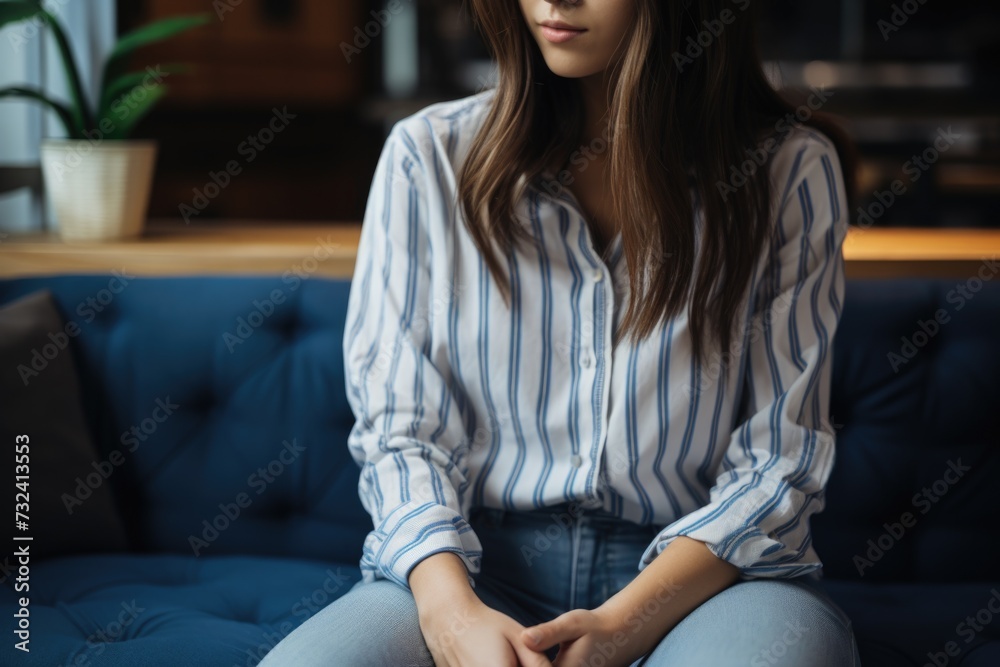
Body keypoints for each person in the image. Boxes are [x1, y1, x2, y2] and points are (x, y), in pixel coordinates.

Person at [262, 0, 861, 664]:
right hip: (469, 569)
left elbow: (780, 458)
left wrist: (624, 625)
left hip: (701, 588)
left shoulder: (789, 171)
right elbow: (400, 431)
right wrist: (453, 616)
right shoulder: (426, 155)